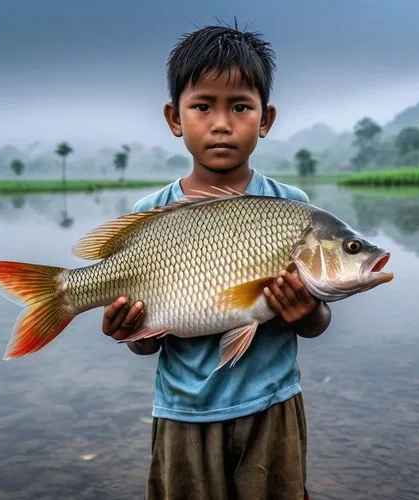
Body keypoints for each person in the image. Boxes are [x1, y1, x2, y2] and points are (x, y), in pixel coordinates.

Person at [102, 23, 332, 500]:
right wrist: (129, 331)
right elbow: (148, 345)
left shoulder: (293, 207)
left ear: (265, 118)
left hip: (273, 407)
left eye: (240, 107)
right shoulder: (149, 214)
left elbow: (315, 321)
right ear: (174, 117)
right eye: (203, 106)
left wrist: (307, 310)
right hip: (183, 411)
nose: (222, 123)